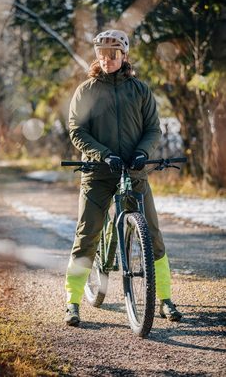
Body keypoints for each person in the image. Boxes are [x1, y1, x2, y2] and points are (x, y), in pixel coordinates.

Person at [64, 29, 182, 326]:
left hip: (134, 170)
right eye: (102, 54)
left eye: (113, 54)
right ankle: (73, 301)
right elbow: (77, 130)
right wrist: (103, 153)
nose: (106, 59)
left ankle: (165, 299)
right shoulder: (87, 90)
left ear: (124, 56)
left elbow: (153, 129)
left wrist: (143, 152)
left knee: (152, 234)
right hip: (98, 173)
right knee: (87, 235)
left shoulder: (140, 90)